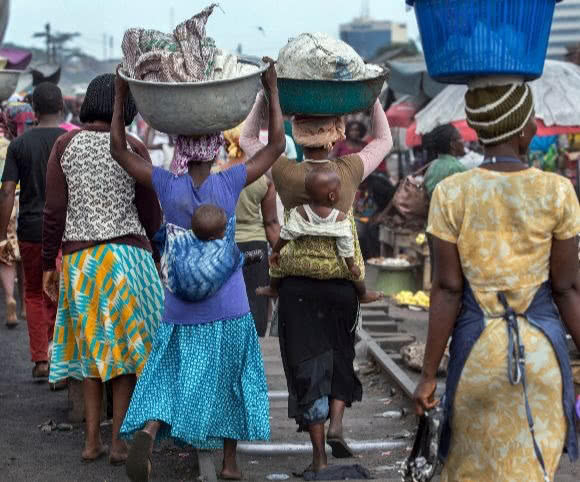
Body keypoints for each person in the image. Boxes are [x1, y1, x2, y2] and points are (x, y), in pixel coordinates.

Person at [114, 60, 285, 481]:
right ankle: (228, 463)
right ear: (215, 147)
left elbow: (119, 150)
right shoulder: (228, 184)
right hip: (227, 305)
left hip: (179, 307)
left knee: (168, 373)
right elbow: (276, 146)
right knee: (232, 379)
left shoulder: (167, 187)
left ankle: (151, 428)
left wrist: (122, 97)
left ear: (180, 148)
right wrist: (271, 90)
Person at [413, 82, 580, 481]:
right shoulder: (557, 192)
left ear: (479, 130)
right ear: (526, 130)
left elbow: (448, 289)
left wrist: (427, 375)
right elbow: (566, 288)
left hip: (476, 356)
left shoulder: (452, 194)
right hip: (541, 358)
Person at [241, 96, 393, 474]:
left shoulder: (287, 172)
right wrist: (371, 96)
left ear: (299, 132)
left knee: (305, 364)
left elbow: (248, 139)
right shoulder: (349, 170)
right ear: (336, 134)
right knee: (341, 351)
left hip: (296, 289)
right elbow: (383, 141)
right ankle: (338, 421)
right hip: (342, 287)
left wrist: (264, 98)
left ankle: (319, 453)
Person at [42, 73, 164, 464]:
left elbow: (53, 212)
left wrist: (49, 263)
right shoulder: (133, 146)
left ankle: (91, 441)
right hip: (130, 260)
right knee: (126, 356)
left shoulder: (65, 145)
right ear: (125, 110)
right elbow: (151, 214)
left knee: (93, 354)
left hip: (83, 264)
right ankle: (119, 443)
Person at [0, 83, 65, 380]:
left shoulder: (19, 145)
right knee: (61, 294)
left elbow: (7, 193)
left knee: (35, 293)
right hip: (65, 230)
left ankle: (41, 360)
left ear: (34, 111)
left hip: (29, 229)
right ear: (62, 108)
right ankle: (61, 359)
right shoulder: (70, 140)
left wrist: (2, 234)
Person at [257, 166, 381, 302]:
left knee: (279, 265)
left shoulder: (301, 211)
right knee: (356, 272)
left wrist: (276, 251)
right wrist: (351, 265)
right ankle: (362, 294)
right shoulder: (339, 217)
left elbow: (287, 234)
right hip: (333, 266)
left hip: (300, 264)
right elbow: (346, 245)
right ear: (332, 196)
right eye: (339, 189)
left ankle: (273, 288)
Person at [221, 124, 280, 337]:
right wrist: (282, 251)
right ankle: (254, 350)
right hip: (255, 248)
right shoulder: (262, 178)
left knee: (227, 302)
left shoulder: (216, 175)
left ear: (225, 142)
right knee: (256, 302)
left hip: (225, 248)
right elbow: (271, 223)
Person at [422, 124, 466, 198]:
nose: (463, 141)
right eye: (460, 138)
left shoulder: (433, 165)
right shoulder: (457, 168)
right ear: (452, 144)